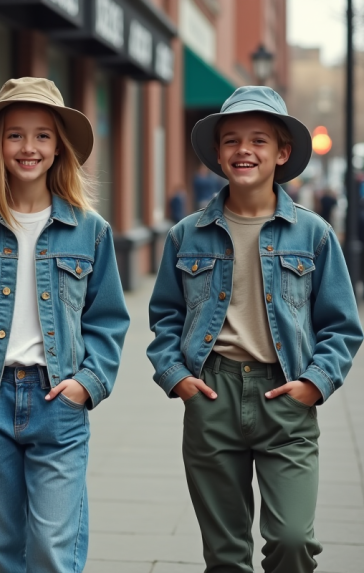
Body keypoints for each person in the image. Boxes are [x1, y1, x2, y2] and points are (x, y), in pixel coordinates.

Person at [147, 86, 364, 573]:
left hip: (284, 396)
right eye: (231, 140)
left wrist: (314, 384)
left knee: (291, 541)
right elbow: (164, 317)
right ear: (218, 155)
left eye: (259, 140)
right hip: (212, 394)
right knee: (225, 555)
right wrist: (176, 377)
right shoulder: (186, 235)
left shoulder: (314, 234)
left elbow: (342, 326)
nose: (244, 150)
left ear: (282, 153)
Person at [0, 77, 130, 573]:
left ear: (59, 147)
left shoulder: (90, 230)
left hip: (57, 402)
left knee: (50, 549)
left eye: (43, 135)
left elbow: (107, 321)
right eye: (15, 134)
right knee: (1, 551)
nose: (29, 147)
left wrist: (86, 385)